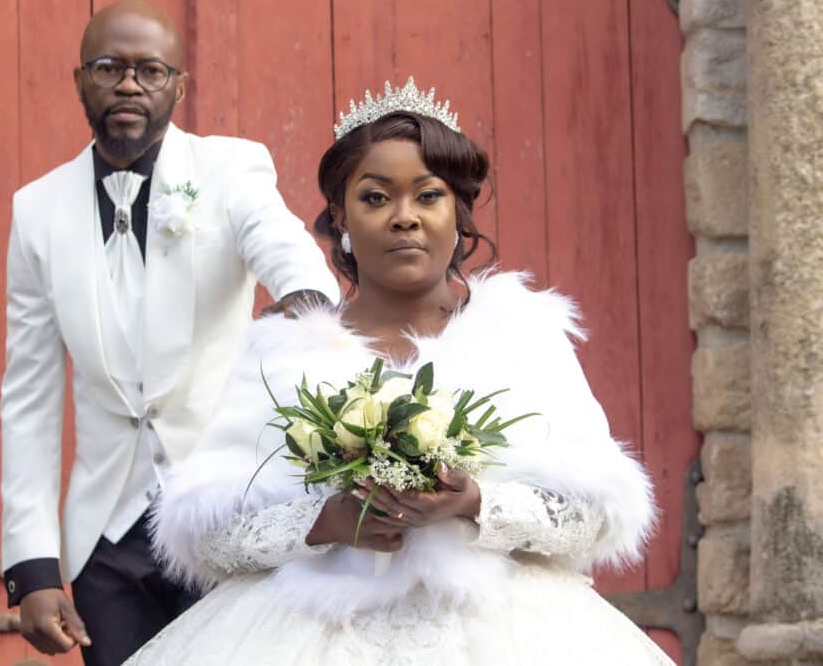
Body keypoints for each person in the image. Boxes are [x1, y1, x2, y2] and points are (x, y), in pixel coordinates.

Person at [122, 78, 674, 665]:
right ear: (340, 217)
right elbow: (206, 531)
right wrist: (323, 521)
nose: (404, 218)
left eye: (428, 196)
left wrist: (474, 502)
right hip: (309, 631)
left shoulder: (524, 336)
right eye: (376, 197)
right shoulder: (281, 356)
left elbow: (595, 514)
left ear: (460, 215)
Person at [0, 0, 340, 666]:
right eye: (108, 67)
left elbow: (283, 247)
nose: (128, 84)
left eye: (149, 70)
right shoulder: (36, 210)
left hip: (225, 514)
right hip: (106, 540)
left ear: (179, 87)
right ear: (79, 82)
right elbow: (29, 396)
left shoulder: (231, 170)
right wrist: (33, 567)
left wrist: (306, 301)